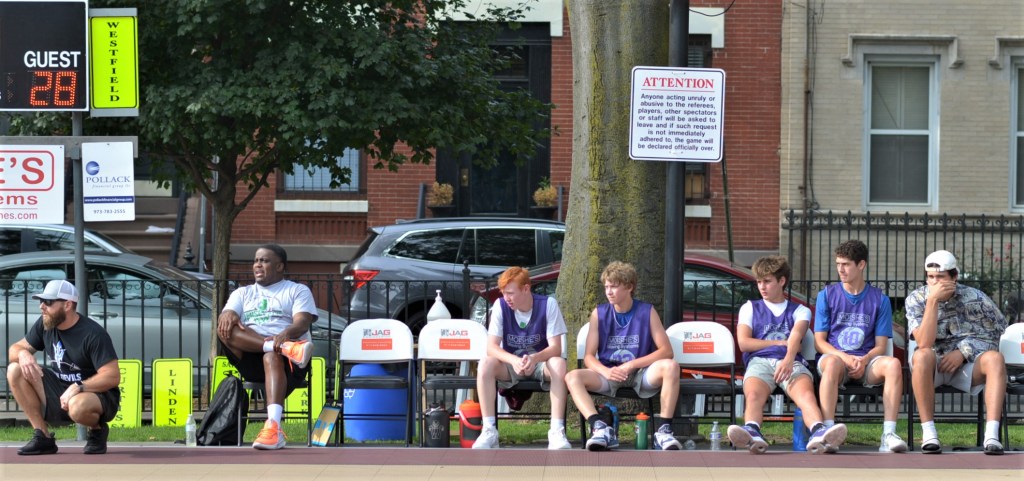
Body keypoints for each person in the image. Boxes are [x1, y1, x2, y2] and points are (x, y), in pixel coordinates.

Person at [727, 255, 847, 454]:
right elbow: (744, 343)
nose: (762, 287)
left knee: (806, 395)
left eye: (767, 281)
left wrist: (788, 358)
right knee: (754, 395)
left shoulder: (800, 311)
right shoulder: (749, 308)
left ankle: (818, 432)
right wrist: (780, 343)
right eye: (759, 282)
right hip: (759, 361)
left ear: (781, 281)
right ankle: (752, 432)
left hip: (791, 361)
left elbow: (796, 336)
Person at [566, 261, 683, 451]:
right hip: (610, 372)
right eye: (606, 287)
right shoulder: (598, 313)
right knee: (572, 377)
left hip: (641, 372)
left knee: (671, 366)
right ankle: (600, 427)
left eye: (614, 286)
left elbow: (666, 351)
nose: (609, 291)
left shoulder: (647, 311)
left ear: (629, 287)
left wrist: (632, 364)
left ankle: (663, 431)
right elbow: (588, 357)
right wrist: (605, 371)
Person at [905, 250, 1007, 455]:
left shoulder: (976, 297)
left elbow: (998, 334)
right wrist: (932, 302)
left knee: (995, 359)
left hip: (968, 366)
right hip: (932, 367)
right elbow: (924, 342)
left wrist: (963, 351)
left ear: (954, 277)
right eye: (930, 277)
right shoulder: (916, 299)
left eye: (940, 277)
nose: (935, 283)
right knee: (922, 355)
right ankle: (929, 434)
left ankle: (992, 436)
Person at [217, 244, 317, 450]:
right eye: (256, 260)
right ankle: (276, 347)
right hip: (252, 356)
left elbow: (302, 322)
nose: (257, 265)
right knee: (225, 329)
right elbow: (227, 316)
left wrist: (285, 334)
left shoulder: (297, 290)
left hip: (291, 361)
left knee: (271, 357)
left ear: (280, 266)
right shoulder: (243, 293)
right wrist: (228, 315)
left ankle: (273, 428)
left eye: (264, 261)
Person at [7, 280, 121, 455]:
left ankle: (97, 430)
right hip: (60, 388)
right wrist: (23, 354)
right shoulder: (45, 323)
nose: (42, 306)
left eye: (48, 302)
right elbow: (14, 349)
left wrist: (78, 386)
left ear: (67, 305)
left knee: (77, 406)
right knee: (14, 370)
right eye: (41, 301)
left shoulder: (93, 334)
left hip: (96, 394)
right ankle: (43, 437)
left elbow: (112, 376)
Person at [813, 240, 907, 453]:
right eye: (838, 264)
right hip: (836, 359)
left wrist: (864, 360)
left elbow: (881, 345)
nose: (840, 269)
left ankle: (888, 435)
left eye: (846, 264)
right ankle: (827, 434)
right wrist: (845, 358)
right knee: (832, 363)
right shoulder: (826, 295)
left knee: (893, 364)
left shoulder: (880, 299)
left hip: (866, 360)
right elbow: (820, 342)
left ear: (861, 265)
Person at [472, 267, 571, 450]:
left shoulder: (548, 304)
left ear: (526, 288)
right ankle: (489, 430)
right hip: (512, 365)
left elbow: (556, 348)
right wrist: (513, 360)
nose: (506, 298)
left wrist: (535, 358)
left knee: (558, 364)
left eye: (510, 293)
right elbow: (491, 347)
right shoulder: (500, 306)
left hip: (540, 364)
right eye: (503, 293)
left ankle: (557, 431)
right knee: (485, 363)